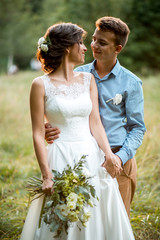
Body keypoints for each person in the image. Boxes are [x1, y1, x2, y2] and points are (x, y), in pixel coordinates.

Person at [20, 22, 135, 240]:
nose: (86, 48)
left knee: (95, 214)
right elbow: (36, 132)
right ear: (66, 47)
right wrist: (46, 175)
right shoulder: (39, 85)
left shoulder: (88, 79)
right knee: (63, 218)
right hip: (60, 156)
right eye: (80, 42)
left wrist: (109, 154)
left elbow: (96, 123)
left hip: (91, 156)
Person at [45, 17, 146, 216]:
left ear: (117, 48)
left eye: (102, 42)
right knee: (86, 222)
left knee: (117, 222)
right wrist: (47, 126)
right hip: (83, 159)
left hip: (118, 161)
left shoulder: (131, 83)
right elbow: (58, 106)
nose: (93, 46)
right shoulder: (78, 74)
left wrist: (119, 157)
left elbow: (137, 128)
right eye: (93, 39)